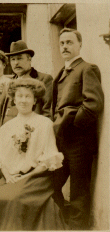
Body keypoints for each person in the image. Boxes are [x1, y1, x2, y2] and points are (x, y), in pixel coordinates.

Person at [0, 78, 66, 231]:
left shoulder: (44, 123)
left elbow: (48, 159)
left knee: (15, 199)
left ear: (35, 100)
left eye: (28, 96)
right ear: (14, 100)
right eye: (19, 96)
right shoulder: (7, 127)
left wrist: (24, 177)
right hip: (11, 176)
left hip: (36, 177)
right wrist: (7, 175)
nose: (23, 100)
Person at [52, 28, 104, 230]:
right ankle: (63, 222)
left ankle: (77, 228)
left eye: (69, 42)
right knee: (51, 185)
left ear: (79, 44)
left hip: (79, 141)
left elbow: (93, 105)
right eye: (62, 43)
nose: (65, 46)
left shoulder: (87, 68)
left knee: (78, 190)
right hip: (61, 141)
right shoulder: (62, 72)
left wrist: (72, 124)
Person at [0, 40, 53, 133]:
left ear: (29, 59)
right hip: (9, 134)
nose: (16, 63)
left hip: (32, 132)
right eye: (13, 59)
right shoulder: (9, 84)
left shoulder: (43, 79)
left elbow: (47, 111)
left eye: (19, 58)